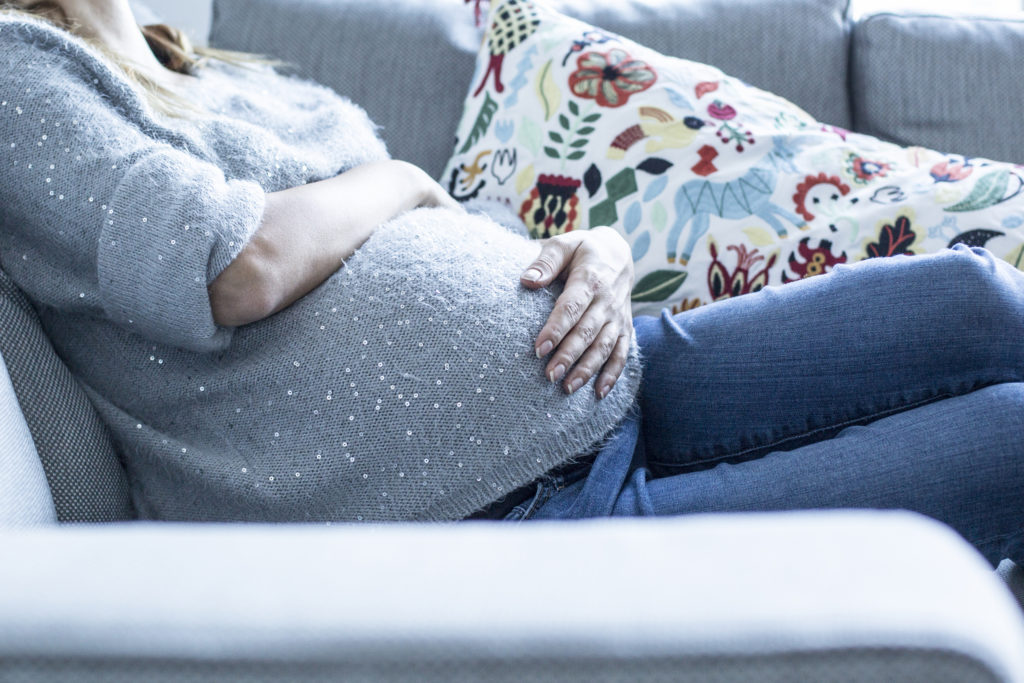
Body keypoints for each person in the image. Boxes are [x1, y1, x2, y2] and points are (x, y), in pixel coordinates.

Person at [0, 1, 1021, 564]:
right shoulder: (20, 70)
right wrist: (398, 179)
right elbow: (236, 262)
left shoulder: (220, 70)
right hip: (504, 517)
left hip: (619, 365)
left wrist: (598, 255)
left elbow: (448, 231)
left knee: (973, 296)